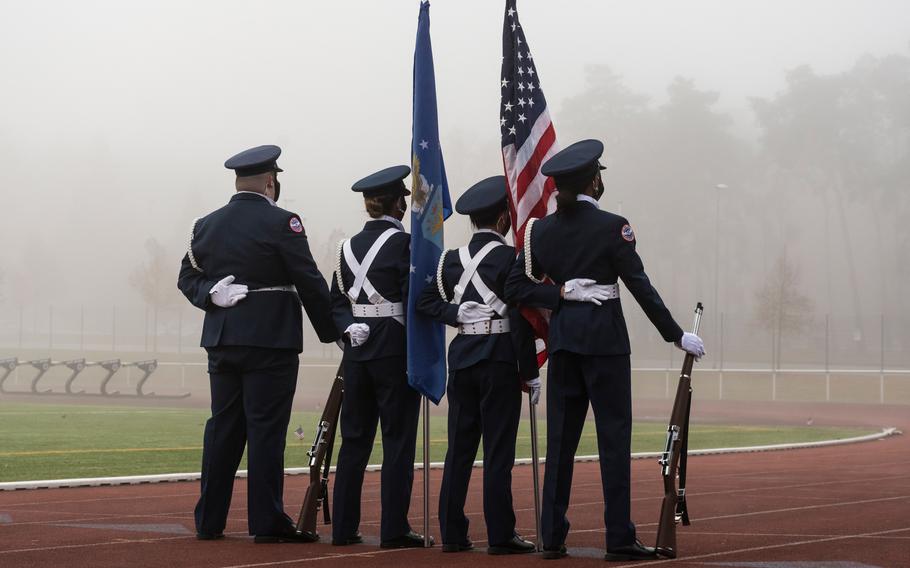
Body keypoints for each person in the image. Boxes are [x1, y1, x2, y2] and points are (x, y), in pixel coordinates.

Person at [504, 139, 706, 561]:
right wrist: (675, 334)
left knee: (561, 444)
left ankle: (553, 536)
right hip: (606, 347)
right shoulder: (614, 226)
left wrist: (558, 293)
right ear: (594, 181)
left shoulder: (541, 231)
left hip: (564, 345)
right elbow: (639, 285)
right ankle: (618, 537)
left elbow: (516, 286)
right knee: (613, 441)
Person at [177, 144, 340, 543]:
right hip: (270, 340)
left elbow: (187, 276)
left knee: (223, 429)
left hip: (222, 338)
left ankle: (209, 520)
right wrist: (334, 331)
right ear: (271, 182)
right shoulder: (283, 222)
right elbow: (308, 279)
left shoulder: (206, 225)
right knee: (266, 430)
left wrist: (210, 295)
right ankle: (266, 522)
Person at [417, 175, 538, 555]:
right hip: (500, 361)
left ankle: (453, 533)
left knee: (460, 451)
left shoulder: (448, 261)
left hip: (463, 360)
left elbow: (423, 303)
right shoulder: (512, 259)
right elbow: (519, 318)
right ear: (504, 217)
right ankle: (501, 534)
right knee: (498, 452)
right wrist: (530, 372)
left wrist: (454, 312)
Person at [329, 165, 430, 549]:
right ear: (399, 203)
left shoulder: (345, 248)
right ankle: (393, 528)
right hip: (394, 349)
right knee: (398, 441)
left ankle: (343, 528)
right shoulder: (406, 245)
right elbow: (413, 300)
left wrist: (346, 327)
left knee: (354, 441)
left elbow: (335, 303)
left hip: (357, 351)